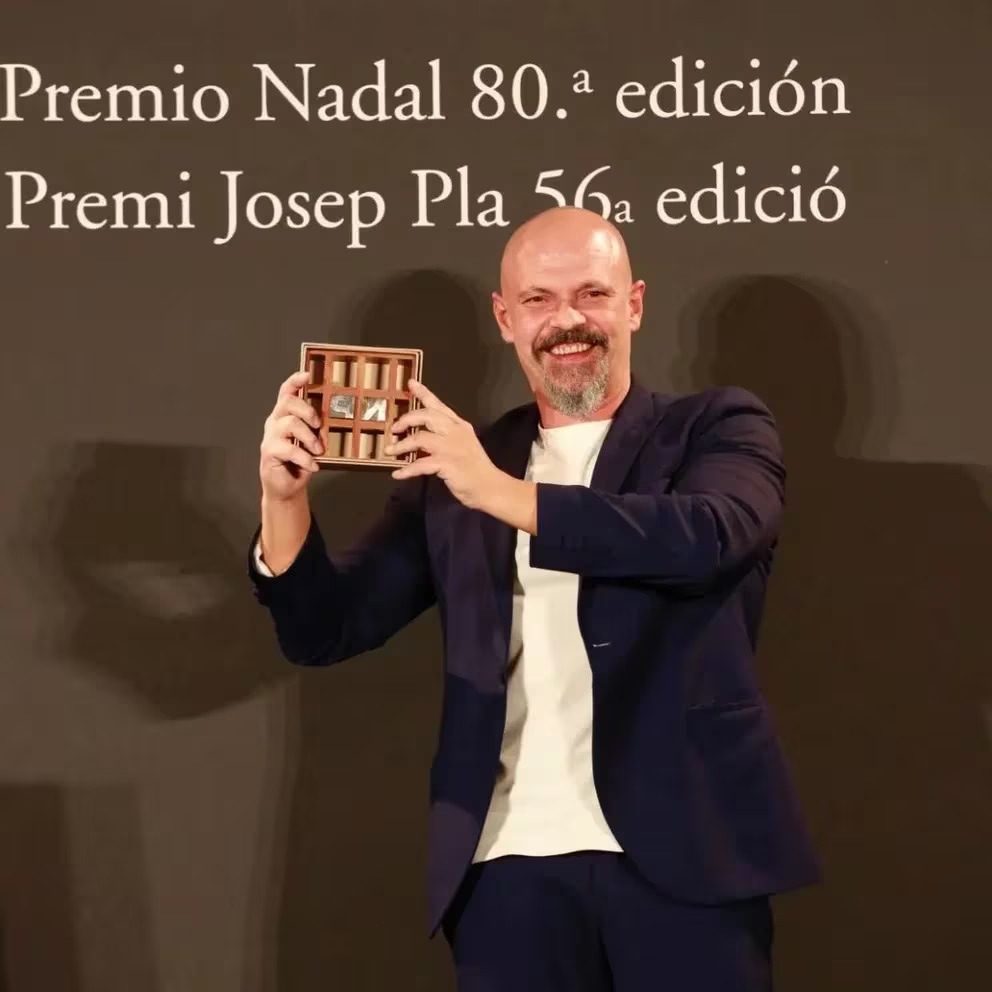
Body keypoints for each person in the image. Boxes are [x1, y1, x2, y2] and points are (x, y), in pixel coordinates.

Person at [248, 206, 820, 991]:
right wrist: (283, 499)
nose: (568, 321)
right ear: (506, 318)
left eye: (592, 294)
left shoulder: (715, 428)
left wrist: (500, 491)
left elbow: (710, 536)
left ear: (635, 305)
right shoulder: (458, 471)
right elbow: (325, 630)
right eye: (542, 301)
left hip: (687, 855)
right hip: (504, 871)